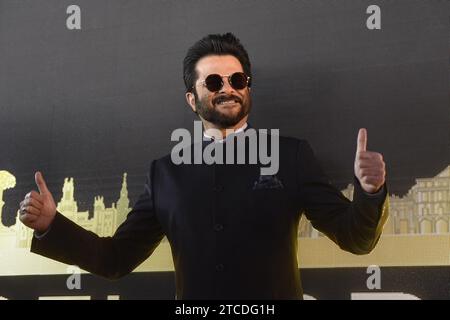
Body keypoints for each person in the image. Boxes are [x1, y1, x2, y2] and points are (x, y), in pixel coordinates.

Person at [19, 33, 388, 299]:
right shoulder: (164, 174)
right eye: (213, 81)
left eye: (237, 79)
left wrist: (370, 193)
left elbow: (356, 238)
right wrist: (52, 225)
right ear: (192, 99)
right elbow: (115, 259)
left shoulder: (291, 156)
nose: (227, 88)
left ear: (248, 89)